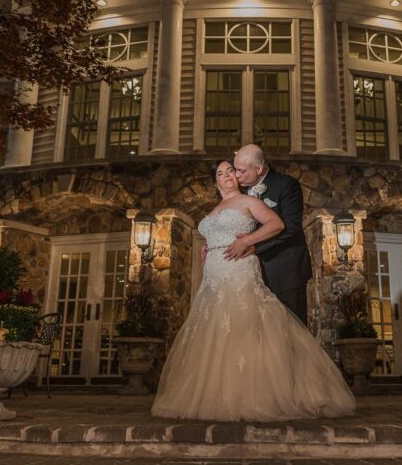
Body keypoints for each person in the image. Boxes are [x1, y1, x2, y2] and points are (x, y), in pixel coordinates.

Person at [151, 159, 355, 422]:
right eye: (221, 173)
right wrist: (208, 246)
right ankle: (218, 394)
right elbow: (215, 233)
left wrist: (248, 240)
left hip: (238, 268)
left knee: (243, 326)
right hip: (213, 275)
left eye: (231, 172)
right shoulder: (214, 209)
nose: (227, 176)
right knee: (215, 330)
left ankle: (251, 395)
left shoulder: (249, 201)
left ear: (238, 178)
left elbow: (277, 224)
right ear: (215, 181)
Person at [222, 144, 312, 324]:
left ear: (260, 168)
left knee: (291, 327)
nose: (236, 176)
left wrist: (255, 246)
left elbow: (290, 227)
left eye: (241, 171)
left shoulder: (286, 185)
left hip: (284, 270)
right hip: (250, 273)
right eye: (235, 170)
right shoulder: (240, 190)